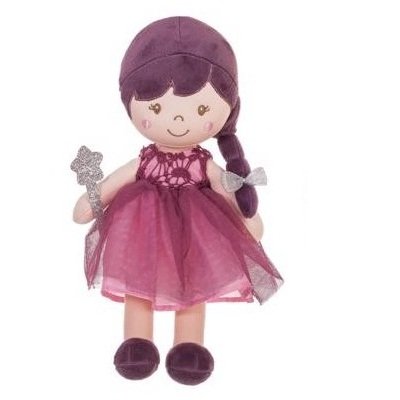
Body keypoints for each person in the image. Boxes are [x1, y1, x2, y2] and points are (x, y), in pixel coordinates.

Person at [72, 16, 283, 385]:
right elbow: (108, 187)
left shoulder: (205, 164)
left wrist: (248, 219)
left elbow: (230, 192)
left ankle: (189, 346)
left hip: (195, 235)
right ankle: (137, 343)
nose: (179, 120)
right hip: (143, 232)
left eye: (202, 110)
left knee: (193, 287)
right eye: (156, 109)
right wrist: (90, 201)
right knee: (137, 283)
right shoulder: (145, 161)